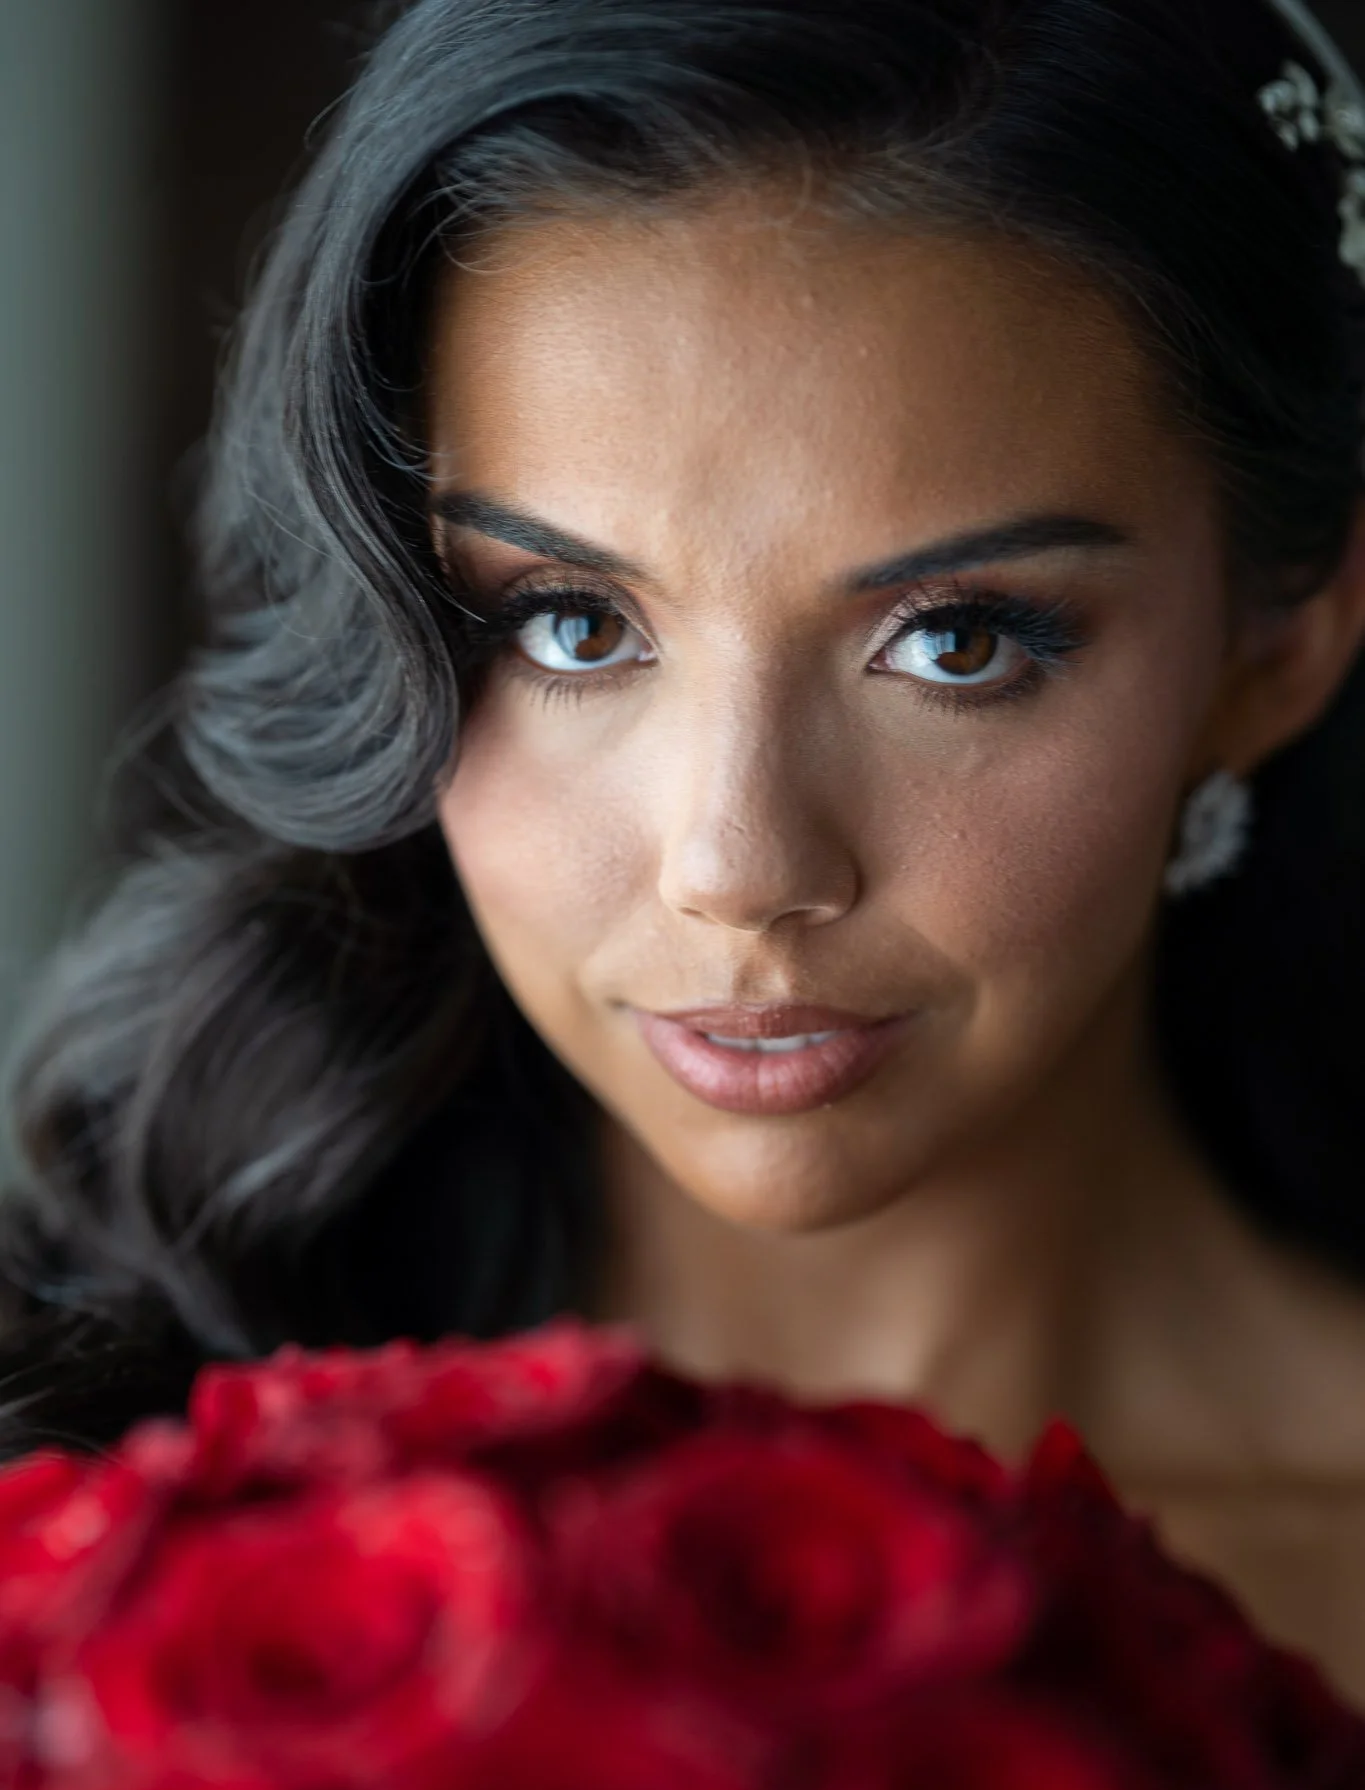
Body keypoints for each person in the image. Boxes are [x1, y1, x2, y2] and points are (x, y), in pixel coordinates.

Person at [4, 0, 1365, 1699]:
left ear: (1276, 644)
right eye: (571, 626)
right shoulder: (109, 1502)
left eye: (956, 642)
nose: (736, 862)